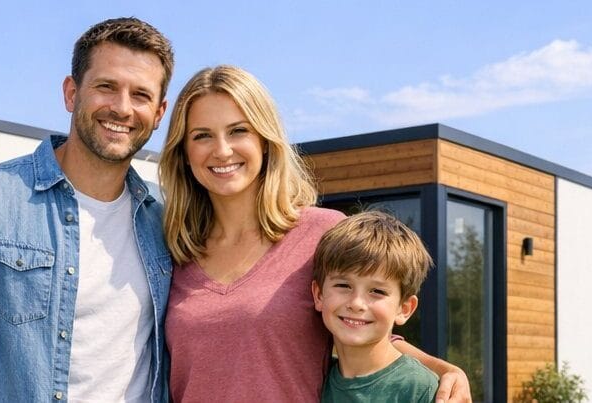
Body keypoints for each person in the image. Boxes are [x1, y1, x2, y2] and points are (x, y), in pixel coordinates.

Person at [0, 17, 174, 402]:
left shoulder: (166, 219)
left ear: (159, 113)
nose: (122, 108)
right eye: (106, 87)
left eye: (140, 95)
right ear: (71, 93)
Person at [159, 65, 471, 402]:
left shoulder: (320, 232)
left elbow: (362, 321)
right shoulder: (172, 251)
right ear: (184, 152)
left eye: (238, 131)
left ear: (264, 141)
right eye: (202, 135)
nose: (221, 150)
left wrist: (442, 369)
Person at [311, 211, 439, 402]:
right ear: (319, 294)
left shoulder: (421, 389)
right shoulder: (315, 379)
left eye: (377, 291)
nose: (356, 304)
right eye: (343, 286)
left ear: (404, 309)